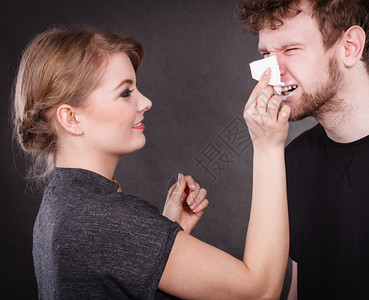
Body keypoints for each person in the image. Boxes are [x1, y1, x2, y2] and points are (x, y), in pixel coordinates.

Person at [12, 26, 291, 299]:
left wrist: (163, 234)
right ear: (71, 119)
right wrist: (268, 145)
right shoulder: (105, 219)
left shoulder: (62, 203)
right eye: (125, 93)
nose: (145, 102)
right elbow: (260, 290)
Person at [238, 0, 369, 299]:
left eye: (291, 50)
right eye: (265, 54)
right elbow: (301, 285)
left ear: (350, 46)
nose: (271, 74)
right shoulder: (292, 159)